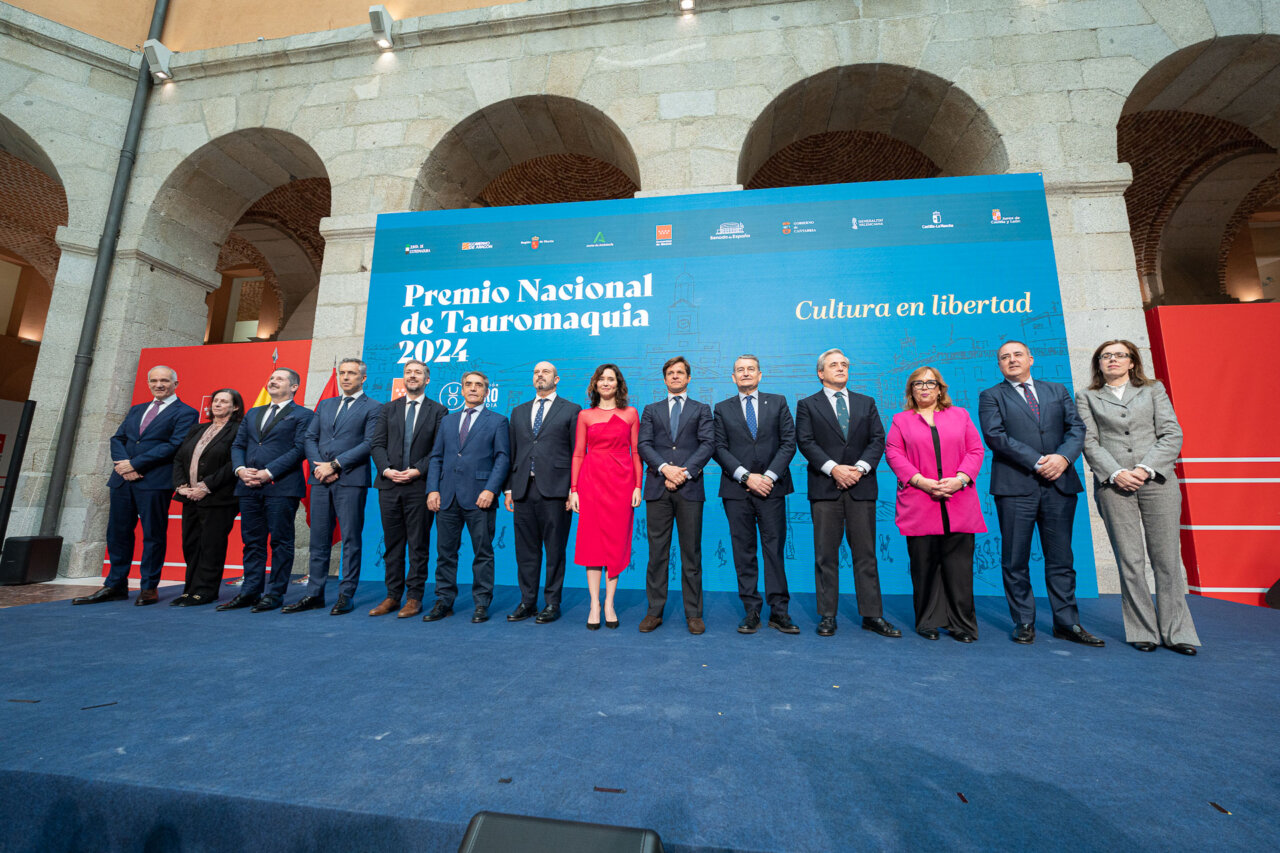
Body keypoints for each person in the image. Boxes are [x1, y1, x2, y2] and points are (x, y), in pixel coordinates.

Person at [1076, 340, 1200, 655]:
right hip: (1113, 485)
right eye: (1106, 356)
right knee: (1130, 560)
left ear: (1132, 361)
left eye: (1119, 355)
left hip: (1157, 481)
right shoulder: (1087, 397)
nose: (1112, 360)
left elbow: (1172, 433)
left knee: (1167, 559)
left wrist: (1145, 469)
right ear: (1099, 363)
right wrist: (1117, 472)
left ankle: (1177, 631)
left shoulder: (1153, 390)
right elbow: (1089, 442)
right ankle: (1142, 629)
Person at [979, 340, 1103, 646]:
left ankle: (1067, 623)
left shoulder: (1057, 391)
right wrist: (1037, 462)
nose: (1011, 360)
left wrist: (1062, 459)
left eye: (1017, 354)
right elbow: (996, 437)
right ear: (999, 365)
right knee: (1015, 559)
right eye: (1004, 357)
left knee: (1061, 559)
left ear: (1030, 359)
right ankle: (1023, 621)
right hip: (1015, 487)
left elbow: (1077, 429)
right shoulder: (991, 396)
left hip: (1059, 485)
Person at [795, 348, 899, 639]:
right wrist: (834, 469)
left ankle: (872, 615)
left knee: (866, 555)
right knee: (825, 555)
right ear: (820, 373)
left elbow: (878, 440)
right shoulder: (807, 405)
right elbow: (805, 441)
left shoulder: (867, 402)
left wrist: (859, 469)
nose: (841, 368)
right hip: (825, 489)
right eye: (834, 365)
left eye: (844, 364)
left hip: (861, 487)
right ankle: (827, 615)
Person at [74, 366, 197, 606]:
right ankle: (115, 585)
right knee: (117, 533)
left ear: (176, 383)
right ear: (148, 383)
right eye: (153, 381)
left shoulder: (186, 412)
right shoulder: (137, 409)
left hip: (153, 481)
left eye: (164, 380)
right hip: (122, 481)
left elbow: (174, 445)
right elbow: (117, 439)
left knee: (153, 534)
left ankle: (149, 587)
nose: (158, 385)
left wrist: (135, 465)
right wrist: (123, 465)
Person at [885, 366, 985, 642]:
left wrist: (960, 479)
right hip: (920, 501)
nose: (925, 388)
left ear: (941, 389)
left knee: (959, 569)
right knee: (924, 566)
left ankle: (962, 625)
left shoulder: (960, 415)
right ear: (911, 391)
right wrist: (920, 481)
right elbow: (893, 453)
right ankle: (927, 620)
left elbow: (976, 450)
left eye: (931, 383)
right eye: (918, 384)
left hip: (958, 499)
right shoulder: (900, 420)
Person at [712, 354, 799, 635]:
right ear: (733, 377)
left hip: (772, 489)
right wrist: (747, 477)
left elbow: (789, 442)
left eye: (751, 369)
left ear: (760, 375)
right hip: (737, 490)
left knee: (773, 549)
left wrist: (768, 477)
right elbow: (719, 448)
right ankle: (751, 610)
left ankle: (779, 612)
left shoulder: (778, 402)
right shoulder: (722, 408)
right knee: (743, 551)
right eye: (740, 370)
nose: (746, 373)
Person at [286, 358, 380, 615]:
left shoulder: (373, 407)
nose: (346, 377)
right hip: (319, 479)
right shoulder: (326, 405)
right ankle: (314, 594)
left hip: (350, 480)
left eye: (352, 373)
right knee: (318, 540)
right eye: (342, 373)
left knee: (350, 540)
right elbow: (309, 437)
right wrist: (320, 466)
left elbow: (370, 443)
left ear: (363, 378)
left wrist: (335, 465)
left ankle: (345, 595)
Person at [219, 367, 313, 612]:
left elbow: (299, 449)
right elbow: (238, 445)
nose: (272, 381)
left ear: (294, 386)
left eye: (279, 379)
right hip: (248, 486)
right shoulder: (253, 412)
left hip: (281, 487)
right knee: (252, 542)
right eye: (271, 378)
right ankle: (250, 591)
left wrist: (268, 472)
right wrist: (240, 470)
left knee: (281, 542)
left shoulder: (303, 415)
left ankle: (275, 594)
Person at [424, 370, 511, 624]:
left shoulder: (497, 421)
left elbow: (502, 457)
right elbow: (437, 457)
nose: (473, 389)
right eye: (468, 385)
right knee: (445, 553)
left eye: (478, 385)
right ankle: (444, 601)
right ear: (462, 389)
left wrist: (491, 489)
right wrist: (433, 489)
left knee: (482, 553)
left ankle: (482, 603)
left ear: (486, 391)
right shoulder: (448, 421)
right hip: (447, 496)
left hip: (480, 497)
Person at [637, 356, 715, 635]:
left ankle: (693, 614)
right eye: (670, 373)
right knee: (657, 553)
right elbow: (644, 444)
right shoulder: (651, 410)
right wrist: (665, 469)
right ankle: (654, 611)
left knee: (691, 554)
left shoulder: (702, 409)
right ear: (665, 378)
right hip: (658, 487)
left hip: (690, 488)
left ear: (689, 378)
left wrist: (684, 472)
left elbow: (708, 444)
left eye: (680, 373)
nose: (675, 377)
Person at [368, 359, 446, 619]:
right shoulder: (387, 409)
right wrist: (386, 469)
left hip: (419, 486)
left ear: (427, 379)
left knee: (418, 545)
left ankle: (414, 598)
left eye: (418, 373)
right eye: (408, 372)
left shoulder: (438, 411)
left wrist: (417, 470)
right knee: (392, 544)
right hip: (389, 484)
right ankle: (392, 595)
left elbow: (438, 450)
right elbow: (377, 444)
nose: (412, 376)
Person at [504, 360, 580, 625]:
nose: (540, 375)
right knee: (525, 551)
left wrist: (574, 490)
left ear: (556, 379)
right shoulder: (518, 411)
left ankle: (552, 603)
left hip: (557, 491)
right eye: (536, 372)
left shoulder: (571, 410)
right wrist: (510, 488)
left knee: (555, 550)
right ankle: (527, 602)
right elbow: (513, 453)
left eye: (545, 372)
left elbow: (577, 454)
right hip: (523, 489)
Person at [570, 363, 642, 630]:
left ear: (618, 384)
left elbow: (636, 452)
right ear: (595, 384)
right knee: (592, 544)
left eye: (610, 379)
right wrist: (574, 489)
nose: (606, 383)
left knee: (616, 542)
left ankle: (610, 602)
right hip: (591, 482)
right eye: (601, 379)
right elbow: (578, 453)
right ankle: (594, 604)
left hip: (622, 484)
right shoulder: (585, 416)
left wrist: (637, 486)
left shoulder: (631, 413)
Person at [170, 388, 244, 607]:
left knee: (211, 545)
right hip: (190, 497)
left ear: (235, 407)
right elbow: (179, 458)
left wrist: (206, 486)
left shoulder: (239, 430)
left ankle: (206, 591)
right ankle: (189, 590)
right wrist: (181, 486)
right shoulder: (197, 428)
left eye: (223, 401)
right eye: (215, 401)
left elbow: (233, 463)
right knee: (191, 544)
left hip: (218, 498)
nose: (217, 404)